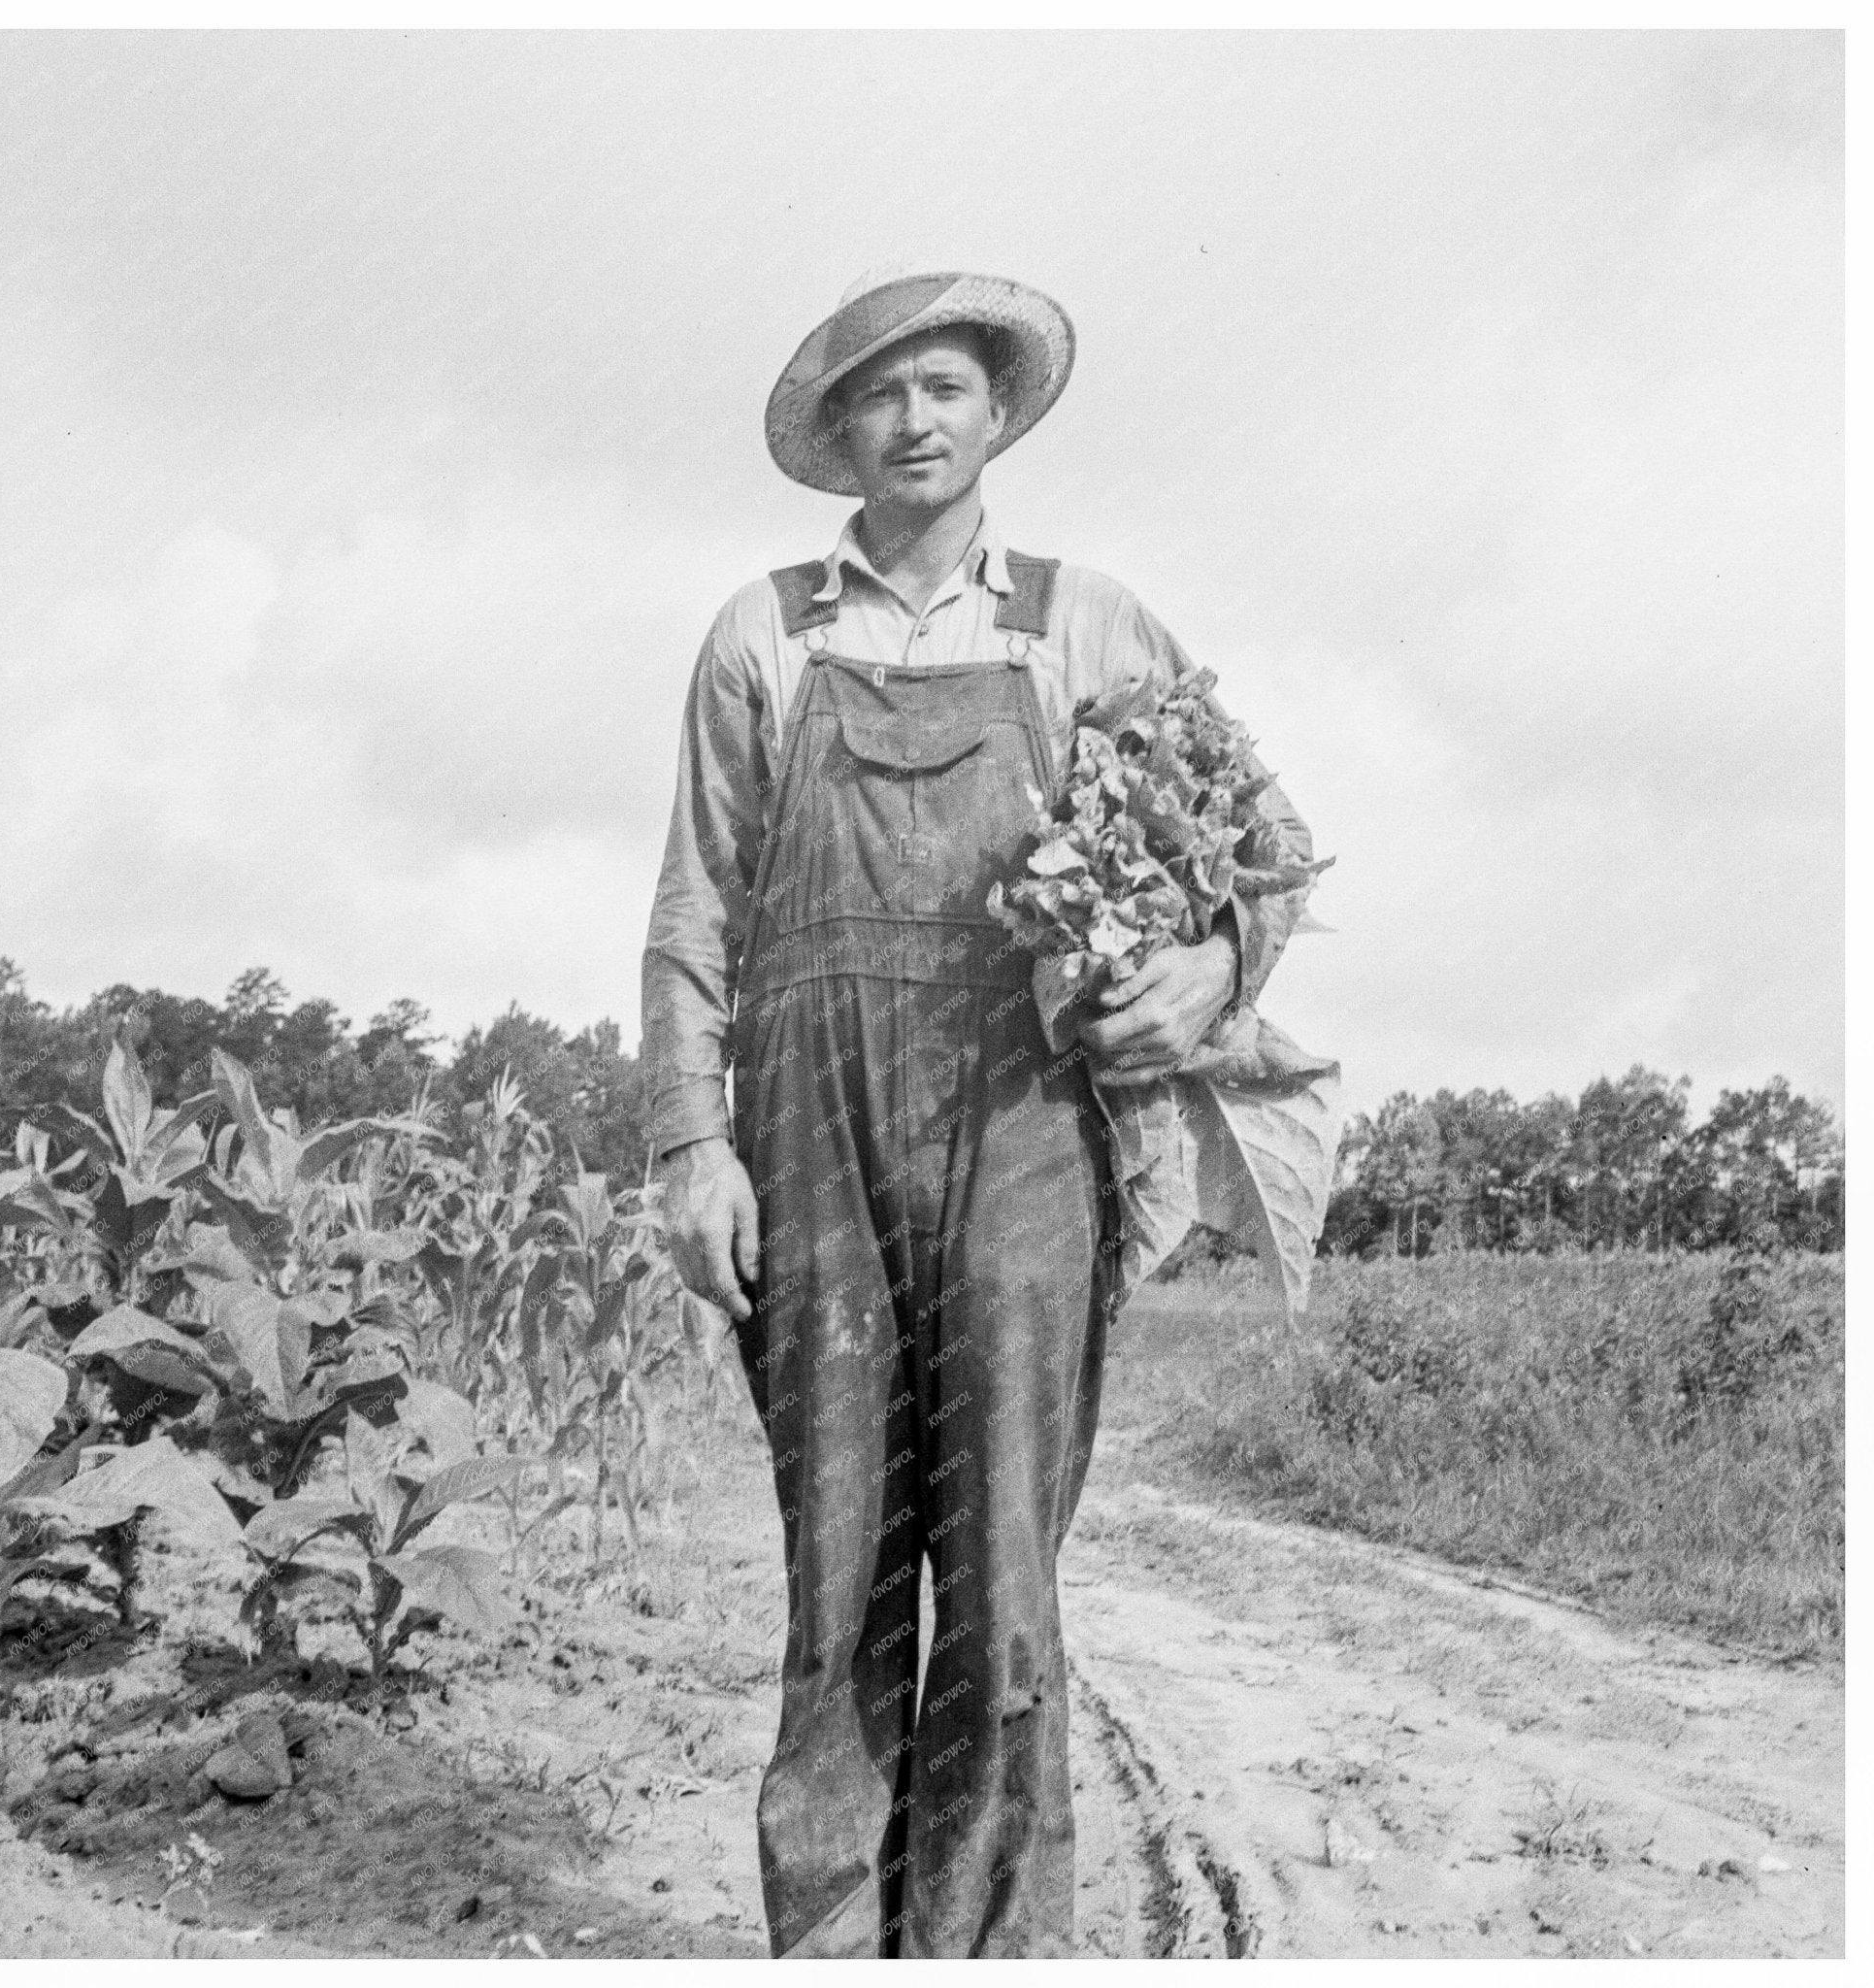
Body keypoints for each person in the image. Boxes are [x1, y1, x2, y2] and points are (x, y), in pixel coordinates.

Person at [641, 266, 1312, 1958]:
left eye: (946, 387)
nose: (916, 419)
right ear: (840, 434)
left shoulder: (1084, 623)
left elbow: (1266, 841)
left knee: (1004, 1571)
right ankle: (828, 1944)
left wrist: (1214, 975)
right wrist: (688, 1143)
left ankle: (990, 1948)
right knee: (842, 1569)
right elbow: (692, 915)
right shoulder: (763, 635)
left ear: (997, 414)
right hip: (810, 1145)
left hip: (1026, 1130)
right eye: (883, 395)